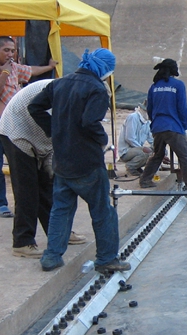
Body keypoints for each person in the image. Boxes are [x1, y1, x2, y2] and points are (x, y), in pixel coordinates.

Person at [28, 48, 129, 274]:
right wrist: (102, 139)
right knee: (103, 211)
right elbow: (90, 122)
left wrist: (53, 130)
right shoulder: (97, 90)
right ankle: (106, 259)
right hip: (88, 163)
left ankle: (51, 256)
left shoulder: (60, 84)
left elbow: (34, 107)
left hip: (63, 160)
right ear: (104, 67)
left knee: (61, 210)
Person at [0, 80, 87, 258]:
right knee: (27, 190)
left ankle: (58, 232)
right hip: (16, 131)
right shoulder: (67, 95)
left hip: (40, 137)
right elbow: (60, 131)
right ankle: (23, 242)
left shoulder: (78, 96)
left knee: (47, 188)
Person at [0, 36, 57, 218]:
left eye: (12, 51)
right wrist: (4, 73)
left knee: (19, 165)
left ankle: (24, 202)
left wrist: (49, 67)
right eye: (6, 50)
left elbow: (31, 71)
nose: (10, 54)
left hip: (12, 125)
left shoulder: (14, 68)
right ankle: (0, 204)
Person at [137, 59, 187, 202]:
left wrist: (155, 124)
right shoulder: (178, 85)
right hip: (173, 127)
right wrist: (183, 126)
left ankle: (145, 180)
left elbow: (150, 108)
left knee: (158, 155)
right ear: (174, 71)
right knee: (185, 158)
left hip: (158, 127)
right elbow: (182, 108)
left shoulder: (154, 87)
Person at [118, 103, 154, 177]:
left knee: (157, 152)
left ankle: (137, 166)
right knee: (145, 153)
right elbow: (129, 138)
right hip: (126, 151)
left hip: (136, 150)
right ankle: (131, 167)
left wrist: (159, 149)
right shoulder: (133, 117)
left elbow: (151, 140)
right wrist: (142, 149)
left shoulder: (148, 122)